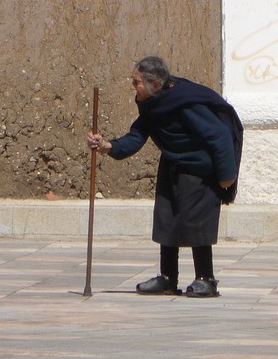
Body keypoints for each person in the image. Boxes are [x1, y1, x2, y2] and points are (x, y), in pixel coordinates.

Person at [86, 56, 240, 298]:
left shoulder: (186, 103)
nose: (132, 87)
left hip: (200, 169)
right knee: (167, 219)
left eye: (136, 82)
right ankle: (168, 278)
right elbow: (136, 136)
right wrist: (107, 146)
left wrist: (226, 176)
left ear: (155, 84)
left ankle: (206, 279)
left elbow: (219, 135)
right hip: (172, 164)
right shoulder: (152, 105)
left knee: (196, 223)